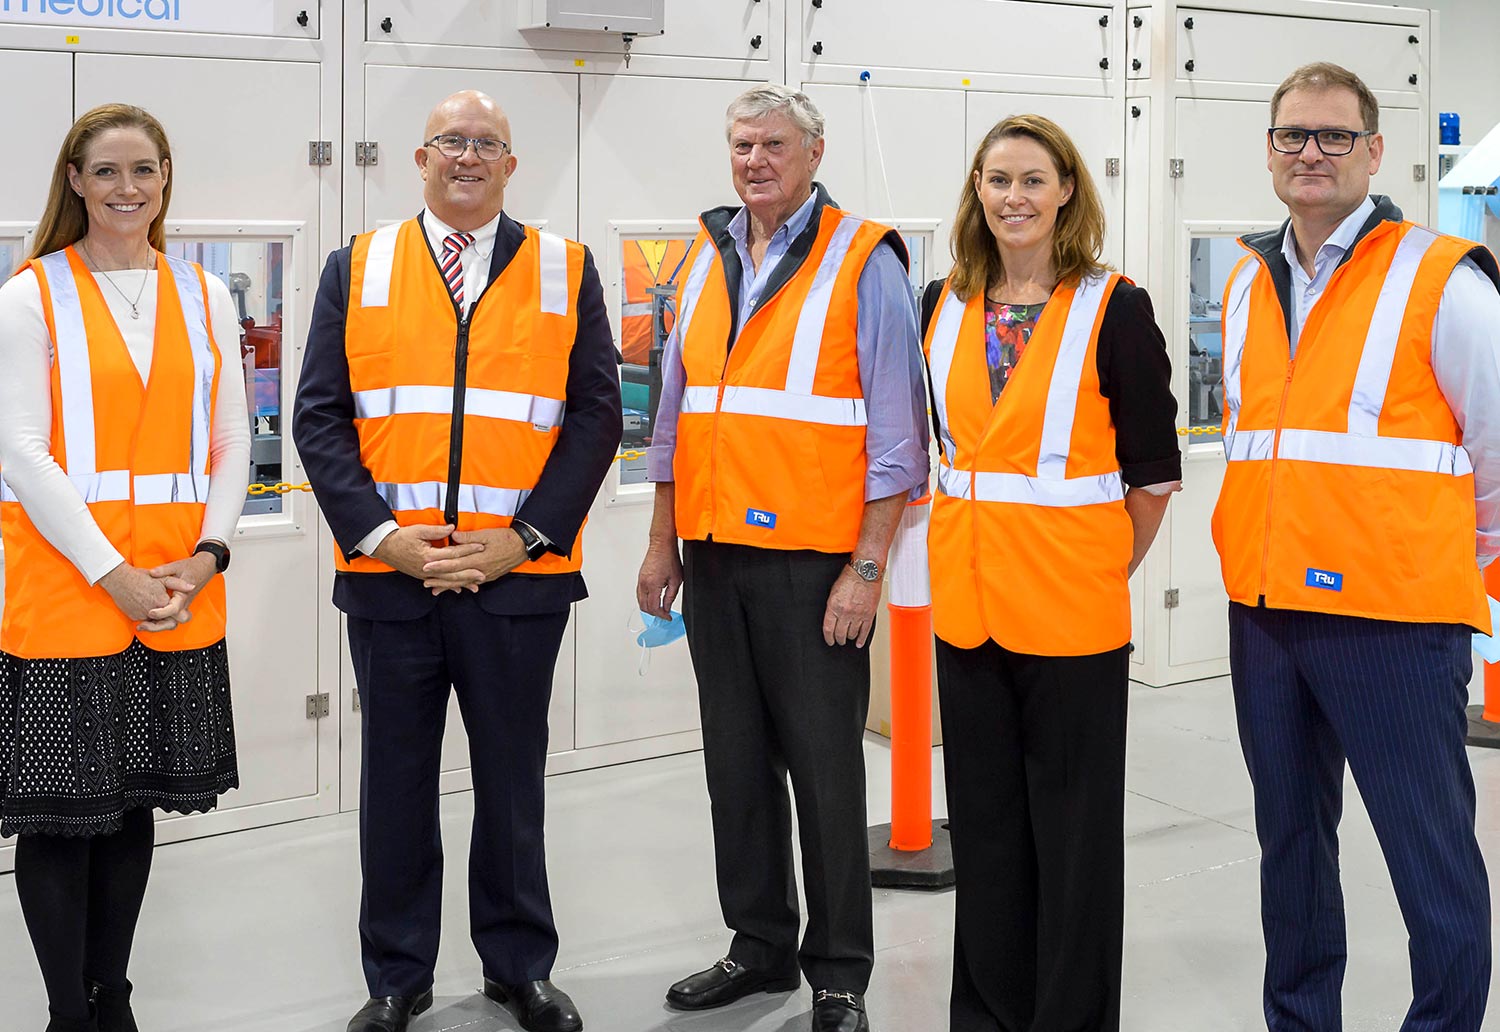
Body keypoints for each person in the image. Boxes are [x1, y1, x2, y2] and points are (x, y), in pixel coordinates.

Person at [293, 90, 619, 1032]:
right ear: (419, 158)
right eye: (451, 142)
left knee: (513, 784)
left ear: (512, 166)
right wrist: (385, 540)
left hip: (519, 583)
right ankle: (397, 975)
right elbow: (320, 415)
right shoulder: (356, 266)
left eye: (488, 145)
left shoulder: (566, 267)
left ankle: (520, 968)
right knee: (395, 786)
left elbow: (597, 416)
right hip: (390, 580)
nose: (468, 157)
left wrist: (523, 539)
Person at [635, 83, 929, 1032]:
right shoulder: (705, 253)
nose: (753, 160)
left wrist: (868, 568)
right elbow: (675, 416)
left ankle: (840, 973)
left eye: (771, 144)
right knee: (735, 766)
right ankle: (758, 948)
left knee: (826, 772)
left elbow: (898, 433)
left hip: (815, 566)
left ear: (814, 151)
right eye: (740, 144)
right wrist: (660, 540)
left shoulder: (862, 257)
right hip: (714, 556)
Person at [1214, 62, 1500, 1031]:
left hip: (1396, 623)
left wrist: (1454, 568)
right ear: (1268, 150)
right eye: (1293, 134)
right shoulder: (1250, 282)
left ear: (1377, 152)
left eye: (1335, 136)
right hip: (1267, 615)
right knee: (1289, 851)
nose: (1311, 153)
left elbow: (1497, 451)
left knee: (1431, 860)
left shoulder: (1440, 277)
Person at [918, 114, 1179, 1031]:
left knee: (1073, 846)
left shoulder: (1115, 307)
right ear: (976, 192)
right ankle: (986, 1015)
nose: (1013, 199)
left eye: (1033, 180)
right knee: (986, 834)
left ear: (1068, 189)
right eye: (997, 180)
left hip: (1073, 616)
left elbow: (1153, 475)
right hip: (968, 611)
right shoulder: (941, 302)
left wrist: (1101, 564)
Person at [0, 103, 249, 1032]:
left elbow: (231, 437)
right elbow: (22, 451)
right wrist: (116, 575)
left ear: (165, 177)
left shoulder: (203, 294)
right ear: (73, 180)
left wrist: (208, 556)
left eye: (144, 170)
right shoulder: (32, 294)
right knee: (63, 817)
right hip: (70, 591)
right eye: (106, 172)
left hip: (177, 589)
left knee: (132, 800)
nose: (127, 189)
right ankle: (69, 1011)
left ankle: (114, 995)